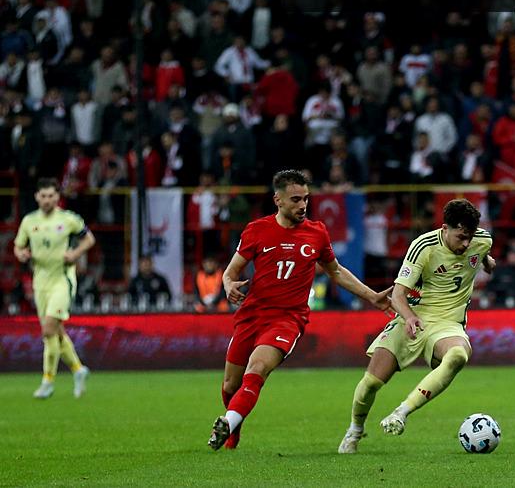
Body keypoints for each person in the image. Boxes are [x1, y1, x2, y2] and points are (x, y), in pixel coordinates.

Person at [207, 169, 396, 450]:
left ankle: (227, 422)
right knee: (230, 386)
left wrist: (372, 297)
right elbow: (231, 271)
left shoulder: (317, 232)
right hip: (251, 316)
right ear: (278, 200)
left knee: (257, 368)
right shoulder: (257, 230)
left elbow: (336, 272)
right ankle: (233, 430)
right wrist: (227, 284)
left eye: (306, 199)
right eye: (296, 199)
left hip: (287, 320)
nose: (302, 205)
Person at [337, 199, 495, 454]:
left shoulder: (482, 239)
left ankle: (402, 412)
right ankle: (355, 429)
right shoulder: (424, 246)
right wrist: (409, 318)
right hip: (412, 317)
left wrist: (487, 261)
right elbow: (398, 295)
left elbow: (481, 250)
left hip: (447, 323)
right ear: (445, 228)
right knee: (371, 383)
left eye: (470, 237)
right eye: (461, 237)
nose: (466, 244)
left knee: (458, 355)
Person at [13, 178, 95, 399]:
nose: (47, 200)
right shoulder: (29, 221)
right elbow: (18, 246)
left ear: (58, 197)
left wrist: (75, 254)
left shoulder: (68, 219)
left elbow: (89, 239)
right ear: (37, 197)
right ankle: (78, 370)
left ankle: (47, 381)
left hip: (62, 278)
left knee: (48, 329)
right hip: (40, 280)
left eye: (51, 196)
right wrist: (21, 254)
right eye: (43, 196)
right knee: (56, 331)